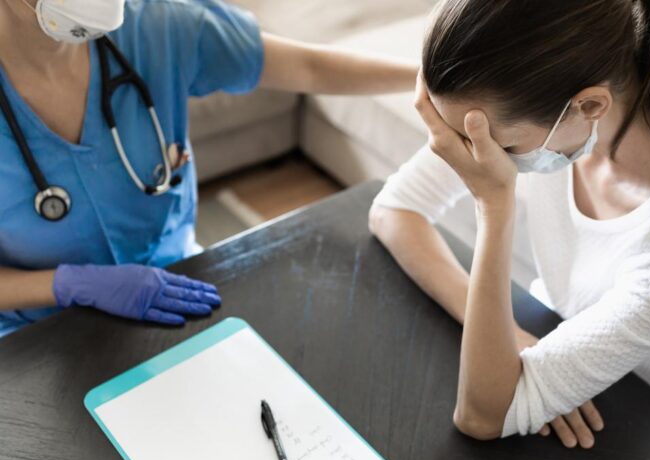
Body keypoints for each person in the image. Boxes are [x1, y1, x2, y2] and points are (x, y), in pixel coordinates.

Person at [369, 0, 650, 449]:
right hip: (547, 334)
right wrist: (516, 342)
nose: (474, 156)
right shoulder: (546, 112)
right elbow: (394, 209)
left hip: (648, 417)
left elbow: (484, 415)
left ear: (589, 105)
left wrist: (494, 204)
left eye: (497, 146)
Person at [0, 0, 418, 337]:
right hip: (35, 330)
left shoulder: (159, 26)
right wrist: (69, 284)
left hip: (180, 287)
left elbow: (309, 67)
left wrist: (430, 80)